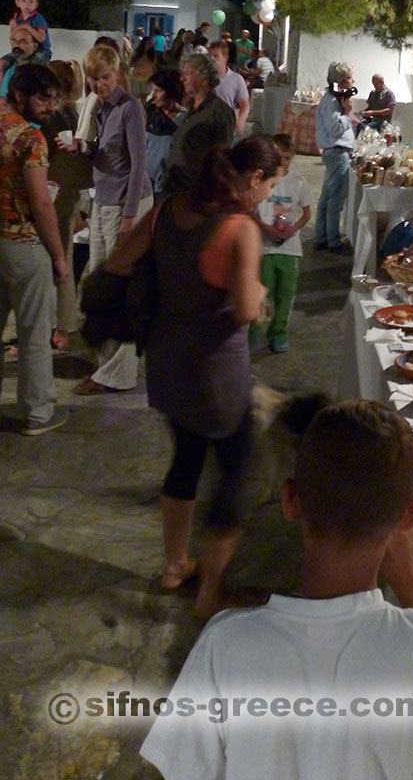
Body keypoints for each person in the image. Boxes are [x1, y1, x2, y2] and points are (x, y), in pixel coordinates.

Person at [140, 399, 413, 779]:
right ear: (409, 514)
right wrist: (409, 576)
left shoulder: (225, 642)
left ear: (289, 499)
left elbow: (181, 768)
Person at [101, 136, 282, 620]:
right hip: (216, 370)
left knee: (186, 457)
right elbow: (244, 308)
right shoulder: (239, 228)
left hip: (165, 358)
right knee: (238, 471)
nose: (269, 196)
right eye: (270, 186)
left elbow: (118, 261)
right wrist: (258, 286)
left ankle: (174, 565)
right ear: (252, 181)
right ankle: (211, 593)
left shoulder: (167, 210)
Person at [71, 44, 153, 395]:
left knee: (118, 290)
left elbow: (138, 165)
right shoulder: (101, 109)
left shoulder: (130, 108)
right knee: (100, 282)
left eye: (105, 77)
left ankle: (117, 373)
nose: (100, 84)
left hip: (125, 203)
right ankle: (108, 365)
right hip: (103, 201)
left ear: (116, 74)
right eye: (94, 79)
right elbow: (103, 160)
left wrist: (130, 215)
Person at [0, 64, 70, 434]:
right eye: (43, 98)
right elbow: (41, 205)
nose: (49, 106)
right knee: (34, 334)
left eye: (54, 99)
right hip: (23, 244)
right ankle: (39, 412)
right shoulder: (30, 138)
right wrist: (60, 257)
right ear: (19, 95)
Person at [42, 59, 93, 351]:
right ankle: (62, 325)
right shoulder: (72, 113)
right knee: (62, 259)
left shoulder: (58, 117)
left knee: (58, 261)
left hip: (57, 196)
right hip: (67, 195)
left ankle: (61, 326)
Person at [253, 133, 311, 353]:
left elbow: (306, 213)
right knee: (262, 292)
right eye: (278, 156)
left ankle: (278, 333)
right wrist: (266, 228)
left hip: (289, 248)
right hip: (265, 247)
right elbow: (252, 210)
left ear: (293, 157)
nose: (282, 162)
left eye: (287, 157)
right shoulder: (261, 180)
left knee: (285, 294)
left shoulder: (298, 182)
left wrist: (293, 229)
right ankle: (254, 332)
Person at [163, 53, 235, 196]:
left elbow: (220, 159)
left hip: (195, 194)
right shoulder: (191, 109)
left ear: (204, 79)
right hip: (175, 190)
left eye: (188, 73)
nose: (182, 78)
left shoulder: (219, 113)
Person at [313, 60, 355, 252]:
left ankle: (321, 237)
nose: (352, 81)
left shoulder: (331, 99)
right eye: (348, 78)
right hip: (337, 151)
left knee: (327, 197)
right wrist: (347, 114)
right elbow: (335, 129)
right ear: (339, 81)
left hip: (334, 151)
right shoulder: (331, 102)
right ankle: (333, 241)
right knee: (335, 200)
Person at [145, 67, 186, 198]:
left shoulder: (185, 119)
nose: (154, 96)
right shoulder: (147, 113)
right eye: (153, 90)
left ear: (171, 92)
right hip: (144, 183)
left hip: (166, 187)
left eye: (159, 91)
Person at [0, 0, 52, 87]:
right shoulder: (18, 18)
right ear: (17, 3)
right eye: (23, 1)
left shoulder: (38, 18)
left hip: (41, 51)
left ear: (36, 4)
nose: (27, 5)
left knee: (29, 69)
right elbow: (13, 39)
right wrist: (13, 28)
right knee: (1, 63)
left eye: (31, 2)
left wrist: (26, 27)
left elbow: (41, 38)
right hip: (22, 50)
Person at [209, 39, 250, 137]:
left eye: (216, 56)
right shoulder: (203, 78)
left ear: (225, 58)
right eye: (209, 56)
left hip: (225, 125)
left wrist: (240, 123)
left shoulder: (236, 79)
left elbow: (245, 105)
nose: (212, 60)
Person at [129, 36, 157, 103]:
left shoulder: (152, 54)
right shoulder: (138, 53)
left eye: (151, 43)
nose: (150, 45)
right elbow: (131, 63)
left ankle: (143, 111)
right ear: (144, 43)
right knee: (136, 96)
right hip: (137, 76)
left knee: (144, 96)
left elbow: (154, 66)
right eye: (148, 42)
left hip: (147, 76)